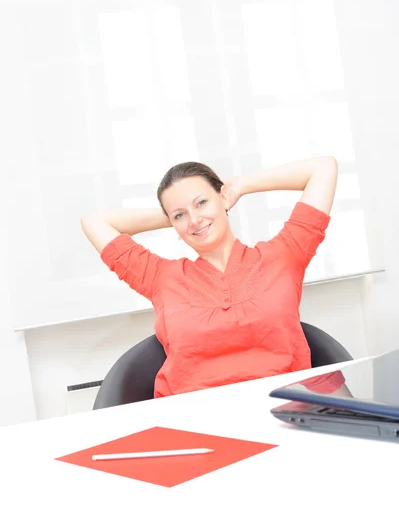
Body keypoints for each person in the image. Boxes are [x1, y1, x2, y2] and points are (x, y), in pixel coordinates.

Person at [81, 156, 338, 398]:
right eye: (180, 215)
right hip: (194, 422)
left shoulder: (284, 254)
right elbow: (93, 221)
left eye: (202, 203)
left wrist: (241, 186)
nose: (193, 220)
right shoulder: (160, 277)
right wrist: (174, 216)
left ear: (223, 197)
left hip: (284, 409)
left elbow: (323, 168)